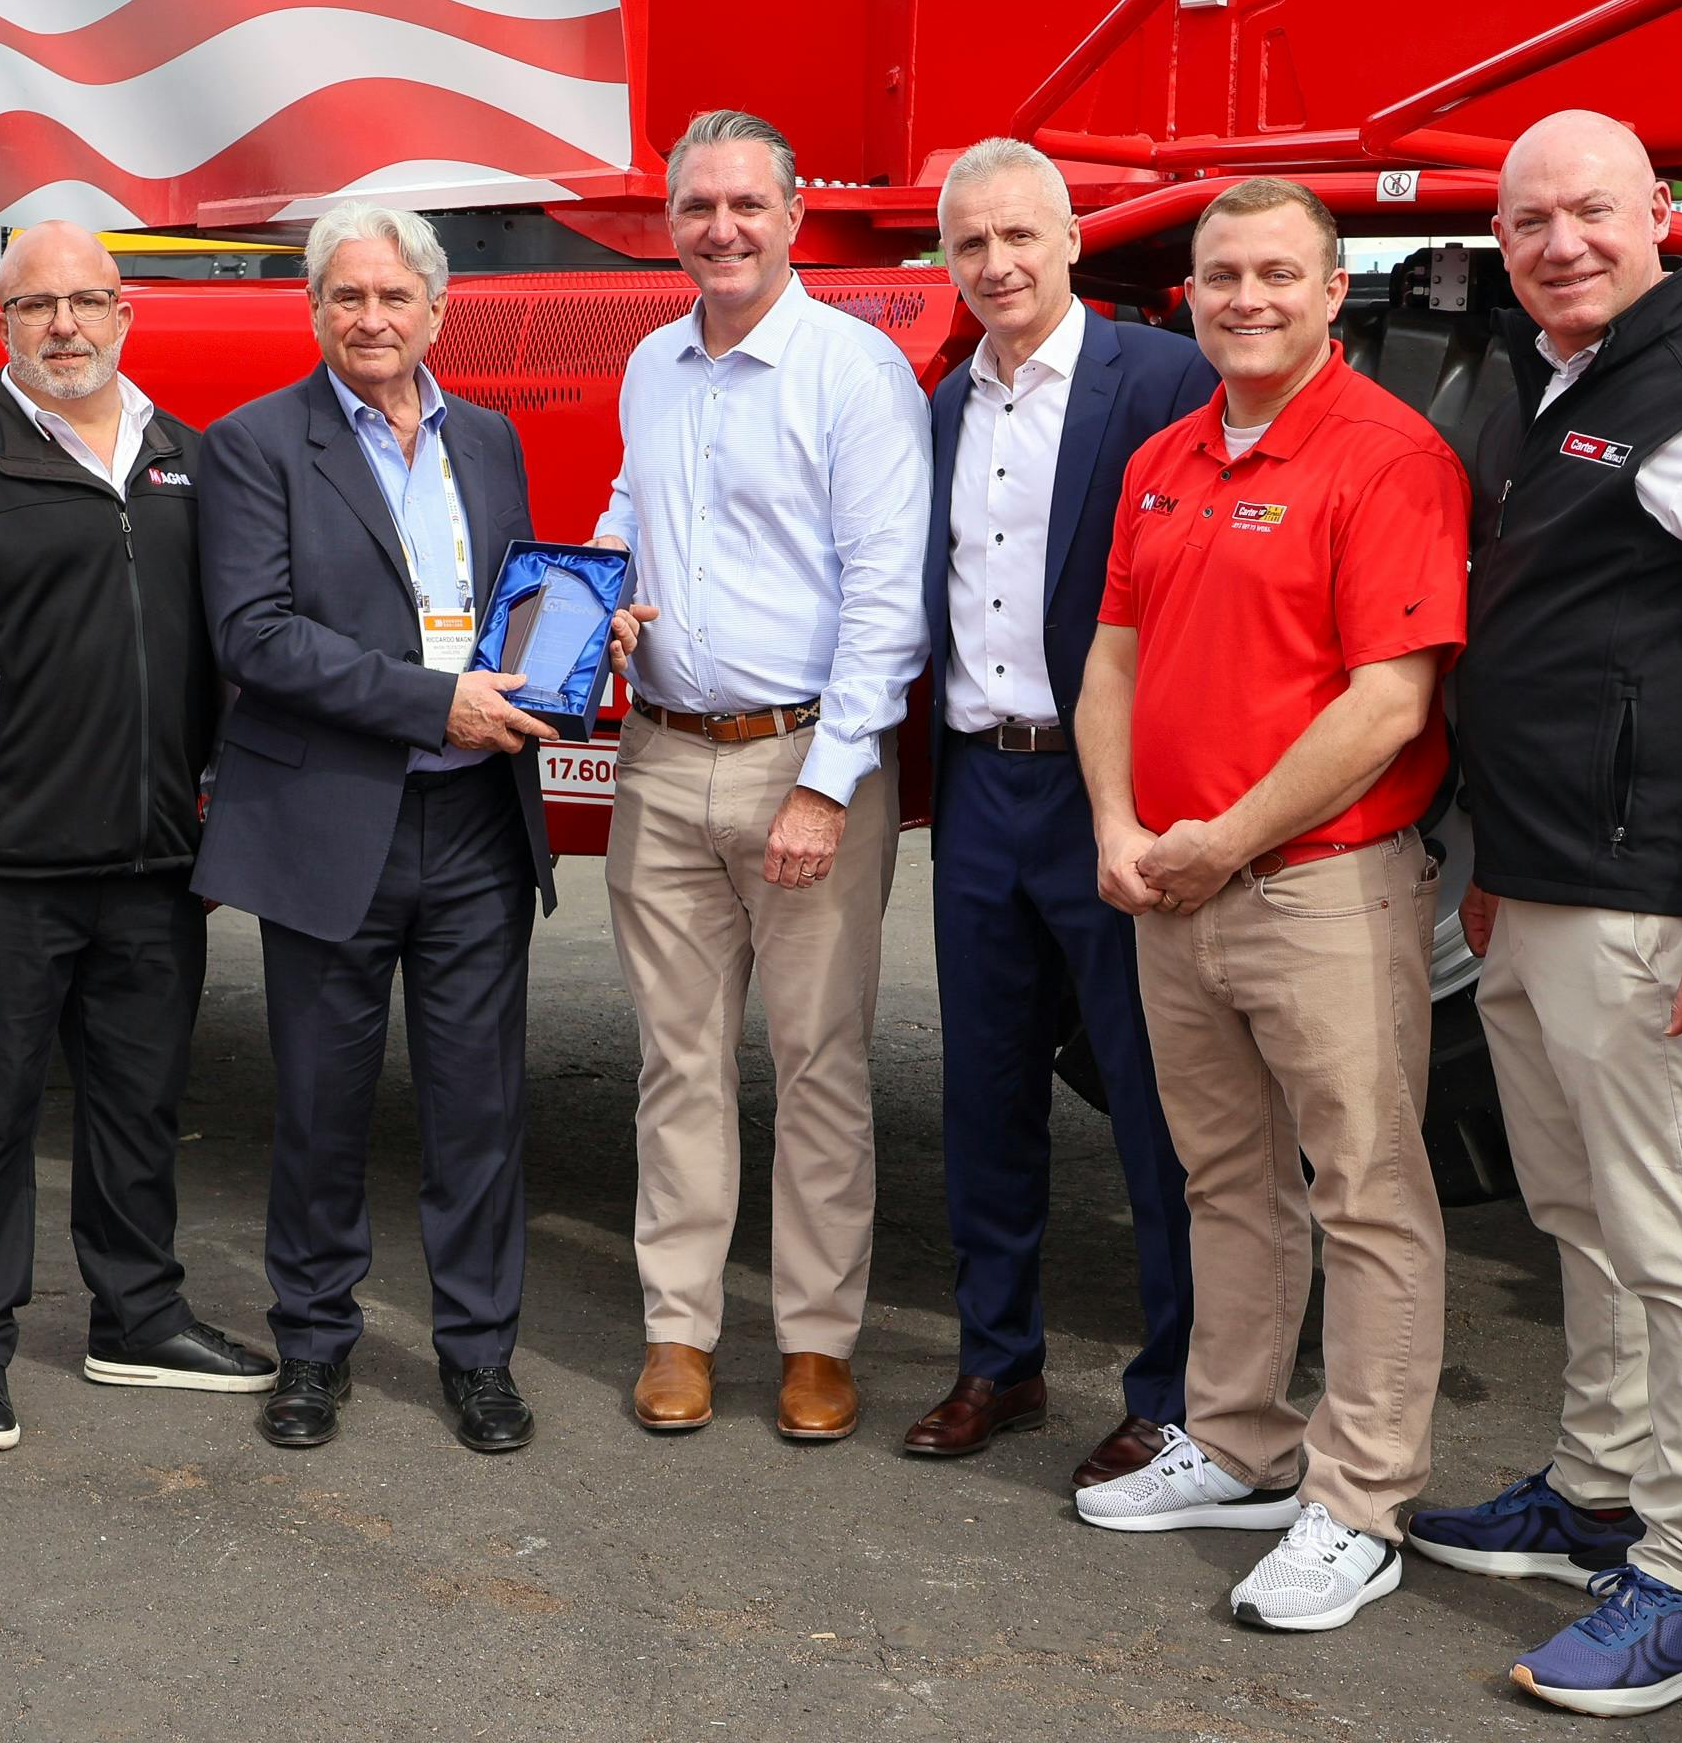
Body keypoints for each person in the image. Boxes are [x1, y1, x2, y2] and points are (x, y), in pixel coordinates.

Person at [1407, 111, 1682, 1718]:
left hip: (1659, 909)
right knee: (1582, 1219)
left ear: (1660, 213)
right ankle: (1594, 1495)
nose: (1560, 243)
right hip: (1530, 898)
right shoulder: (1554, 382)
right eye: (1530, 220)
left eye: (1591, 211)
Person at [1070, 177, 1469, 1634]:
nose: (1246, 298)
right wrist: (1118, 825)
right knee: (1223, 1180)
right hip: (1171, 884)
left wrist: (1221, 838)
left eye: (1277, 275)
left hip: (1317, 888)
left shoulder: (1389, 456)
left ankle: (1360, 1503)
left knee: (1365, 1194)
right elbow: (1113, 654)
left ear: (1332, 288)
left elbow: (1390, 702)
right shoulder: (1167, 454)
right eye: (1221, 274)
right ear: (1186, 292)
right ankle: (1236, 1440)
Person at [0, 222, 273, 1455]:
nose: (67, 326)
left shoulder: (183, 463)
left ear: (128, 314)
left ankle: (135, 1314)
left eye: (89, 302)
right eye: (38, 307)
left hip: (154, 867)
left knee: (141, 1106)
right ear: (1, 327)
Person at [192, 200, 556, 1455]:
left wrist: (564, 646)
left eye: (394, 297)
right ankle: (312, 1349)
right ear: (313, 311)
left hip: (473, 832)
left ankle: (479, 1358)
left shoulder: (492, 440)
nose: (370, 318)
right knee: (319, 1108)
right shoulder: (253, 446)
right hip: (330, 824)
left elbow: (504, 603)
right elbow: (256, 635)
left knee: (477, 1113)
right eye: (346, 297)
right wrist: (433, 700)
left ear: (438, 310)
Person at [598, 109, 930, 1444]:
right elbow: (635, 505)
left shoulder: (855, 373)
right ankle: (678, 1328)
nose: (721, 229)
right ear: (670, 223)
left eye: (746, 204)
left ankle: (815, 1340)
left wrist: (829, 780)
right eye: (697, 208)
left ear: (797, 216)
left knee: (819, 1065)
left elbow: (886, 599)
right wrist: (607, 592)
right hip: (663, 758)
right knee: (675, 1065)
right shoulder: (651, 364)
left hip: (804, 757)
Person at [903, 137, 1216, 1484]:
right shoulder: (936, 405)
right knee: (984, 1092)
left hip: (1118, 791)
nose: (997, 265)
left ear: (1075, 239)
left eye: (1020, 237)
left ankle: (1176, 1387)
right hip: (980, 782)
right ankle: (998, 1361)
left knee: (1155, 1099)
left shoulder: (1163, 377)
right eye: (970, 244)